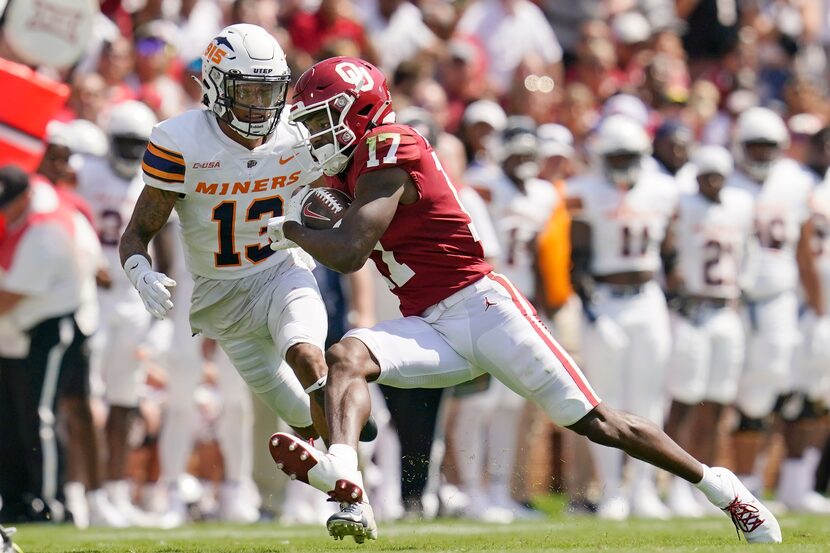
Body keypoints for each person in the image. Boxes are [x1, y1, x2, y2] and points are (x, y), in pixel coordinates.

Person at [265, 56, 782, 544]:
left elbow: (351, 251)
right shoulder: (346, 168)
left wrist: (288, 228)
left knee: (601, 424)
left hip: (483, 308)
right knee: (345, 357)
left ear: (358, 111)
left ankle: (722, 488)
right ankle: (348, 486)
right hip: (427, 321)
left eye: (321, 119)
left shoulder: (390, 146)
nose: (314, 132)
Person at [120, 24, 353, 452]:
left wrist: (325, 212)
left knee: (308, 358)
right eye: (247, 91)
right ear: (213, 85)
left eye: (269, 92)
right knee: (300, 416)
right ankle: (337, 453)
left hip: (281, 271)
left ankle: (351, 485)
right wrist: (139, 269)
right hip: (221, 297)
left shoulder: (298, 133)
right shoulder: (182, 142)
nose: (260, 106)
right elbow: (137, 232)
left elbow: (334, 197)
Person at [662, 145, 756, 517]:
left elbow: (749, 253)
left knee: (718, 403)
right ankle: (678, 485)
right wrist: (675, 286)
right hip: (693, 308)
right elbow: (665, 246)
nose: (713, 182)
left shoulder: (740, 206)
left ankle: (713, 486)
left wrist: (741, 290)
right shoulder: (682, 204)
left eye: (719, 175)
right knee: (685, 401)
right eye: (706, 175)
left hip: (725, 307)